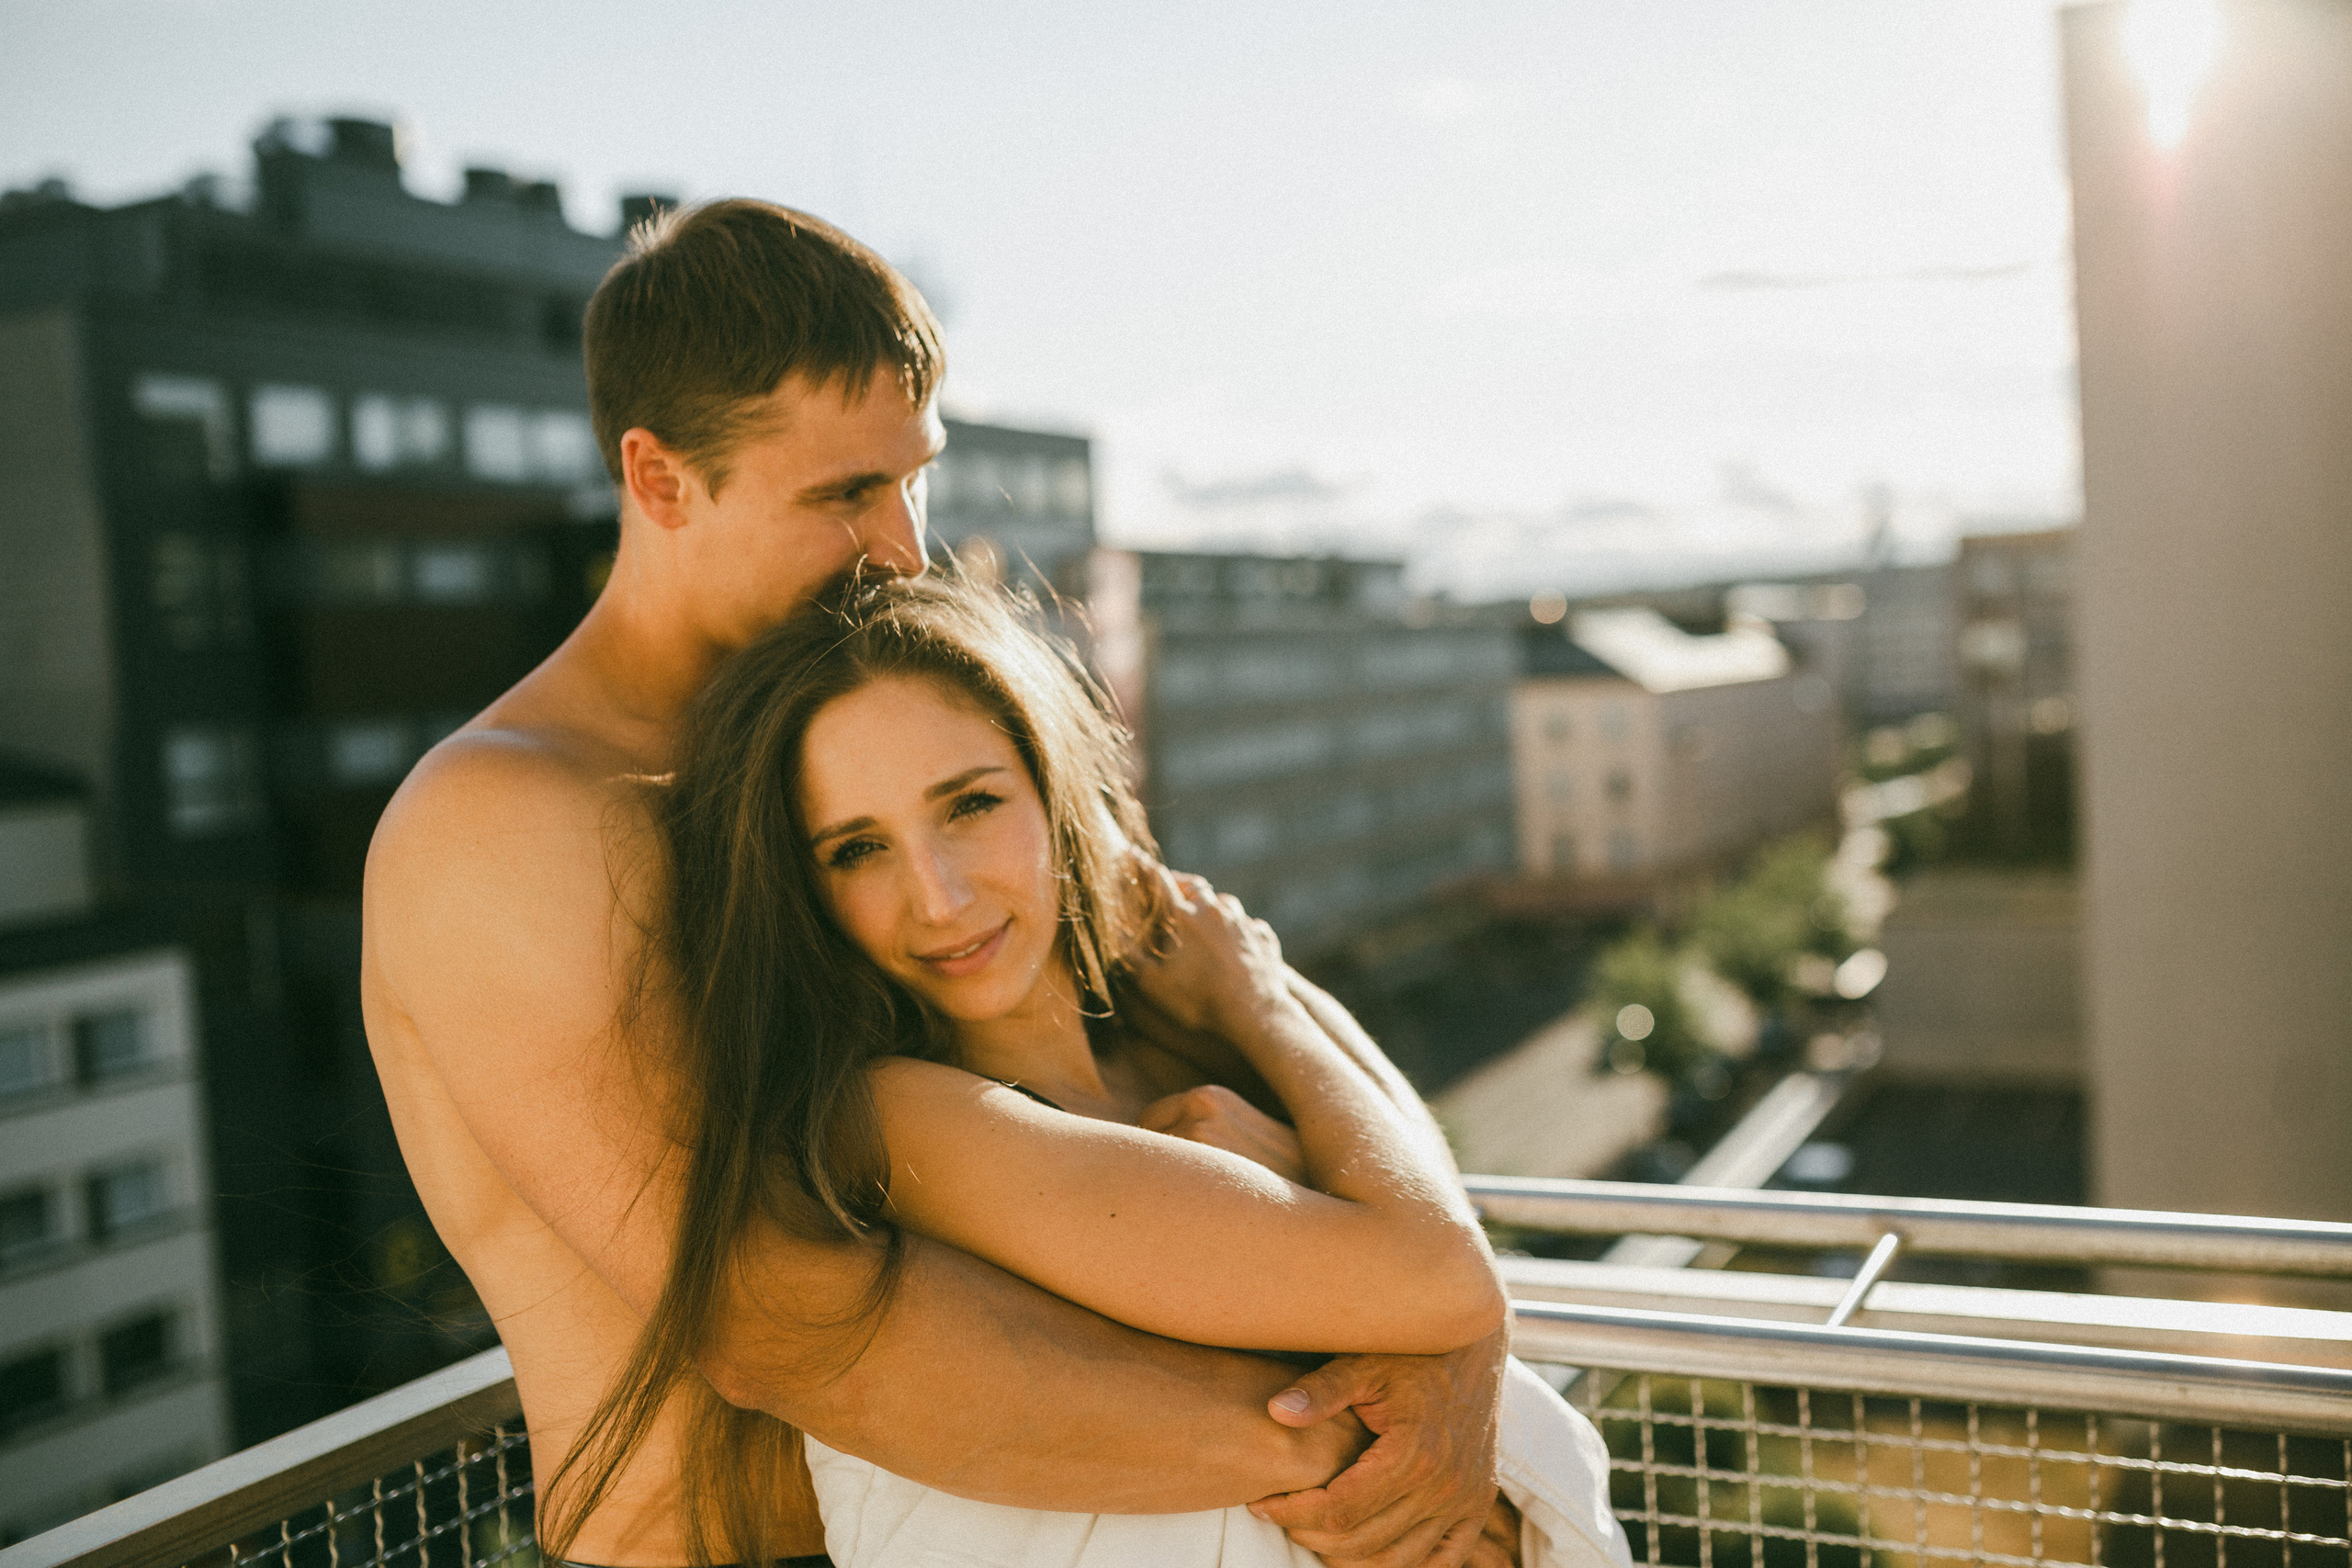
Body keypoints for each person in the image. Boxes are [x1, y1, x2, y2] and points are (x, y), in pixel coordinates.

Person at [362, 197, 1519, 1568]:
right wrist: (1343, 1440)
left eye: (913, 478)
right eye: (845, 494)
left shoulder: (880, 731)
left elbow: (1241, 988)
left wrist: (1461, 1337)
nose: (904, 544)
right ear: (661, 480)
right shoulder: (510, 819)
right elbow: (772, 1312)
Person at [617, 571, 1634, 1568]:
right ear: (806, 893)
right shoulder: (898, 1120)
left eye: (969, 805)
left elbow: (1433, 1209)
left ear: (1054, 789)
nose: (937, 896)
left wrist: (1259, 996)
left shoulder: (1161, 1054)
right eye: (855, 850)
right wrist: (1259, 1008)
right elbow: (1445, 1276)